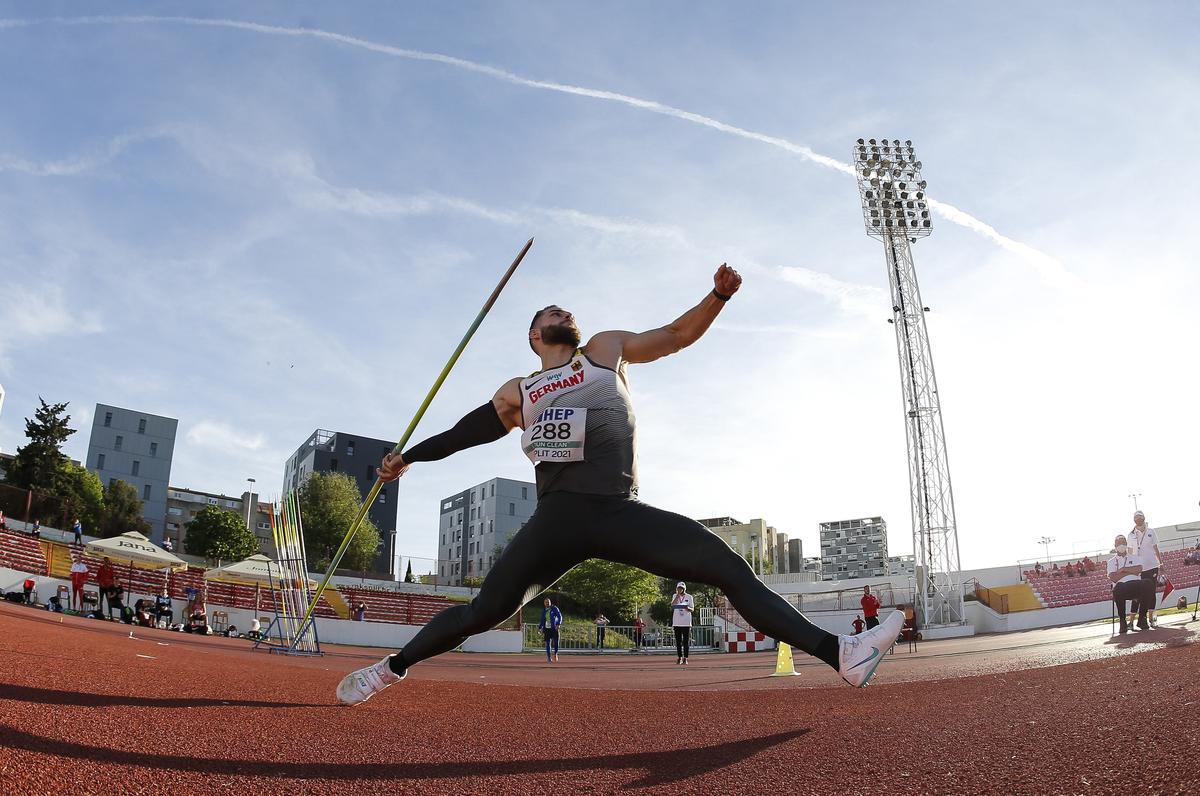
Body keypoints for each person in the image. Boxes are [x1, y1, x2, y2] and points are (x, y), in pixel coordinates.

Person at [335, 265, 905, 706]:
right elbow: (465, 433)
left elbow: (677, 336)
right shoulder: (520, 391)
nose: (564, 311)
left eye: (566, 308)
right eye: (551, 312)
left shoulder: (604, 351)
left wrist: (719, 297)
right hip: (558, 519)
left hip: (619, 511)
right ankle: (387, 670)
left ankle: (841, 655)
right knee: (483, 611)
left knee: (730, 569)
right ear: (535, 335)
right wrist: (406, 457)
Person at [1129, 511, 1163, 627]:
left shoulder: (1151, 531)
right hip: (1138, 569)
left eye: (1140, 517)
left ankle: (1151, 619)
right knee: (1136, 594)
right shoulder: (1131, 535)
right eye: (1136, 517)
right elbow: (1129, 552)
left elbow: (1156, 548)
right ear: (1134, 520)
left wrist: (1161, 563)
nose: (1138, 519)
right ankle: (1131, 621)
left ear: (1144, 518)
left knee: (1152, 593)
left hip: (1152, 566)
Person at [1108, 534, 1146, 635]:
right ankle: (1122, 621)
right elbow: (1113, 578)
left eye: (1123, 543)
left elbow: (1139, 570)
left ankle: (1142, 618)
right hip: (1122, 587)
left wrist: (1124, 570)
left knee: (1148, 583)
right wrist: (1131, 571)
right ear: (1115, 545)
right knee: (1118, 588)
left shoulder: (1135, 557)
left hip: (1135, 584)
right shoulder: (1111, 562)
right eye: (1119, 543)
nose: (1122, 545)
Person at [671, 581, 695, 665]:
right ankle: (679, 657)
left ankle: (686, 658)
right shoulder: (674, 596)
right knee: (678, 641)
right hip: (677, 622)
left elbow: (692, 609)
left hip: (686, 622)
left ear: (684, 589)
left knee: (686, 641)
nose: (679, 589)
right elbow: (672, 605)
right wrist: (677, 596)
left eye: (681, 588)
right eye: (678, 588)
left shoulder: (689, 597)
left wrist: (687, 608)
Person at [538, 597, 562, 663]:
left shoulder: (554, 608)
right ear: (544, 603)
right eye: (546, 602)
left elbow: (559, 616)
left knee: (556, 642)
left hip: (554, 628)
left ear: (550, 602)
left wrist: (558, 624)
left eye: (548, 602)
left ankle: (555, 653)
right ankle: (549, 658)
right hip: (547, 629)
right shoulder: (544, 611)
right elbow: (542, 620)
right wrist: (540, 628)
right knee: (547, 643)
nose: (547, 603)